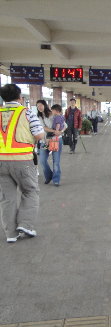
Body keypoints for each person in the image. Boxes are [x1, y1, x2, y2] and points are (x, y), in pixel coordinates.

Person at [0, 84, 45, 243]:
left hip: (1, 162)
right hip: (23, 160)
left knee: (7, 198)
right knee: (30, 191)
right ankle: (25, 224)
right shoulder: (26, 113)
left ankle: (11, 234)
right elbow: (39, 135)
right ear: (20, 97)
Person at [37, 101, 66, 186]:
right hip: (45, 140)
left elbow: (65, 125)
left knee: (56, 161)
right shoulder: (39, 117)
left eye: (41, 105)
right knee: (42, 160)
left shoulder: (53, 114)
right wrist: (54, 131)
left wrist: (60, 132)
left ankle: (56, 179)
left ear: (45, 105)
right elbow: (43, 128)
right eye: (37, 106)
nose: (39, 107)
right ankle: (49, 176)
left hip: (55, 140)